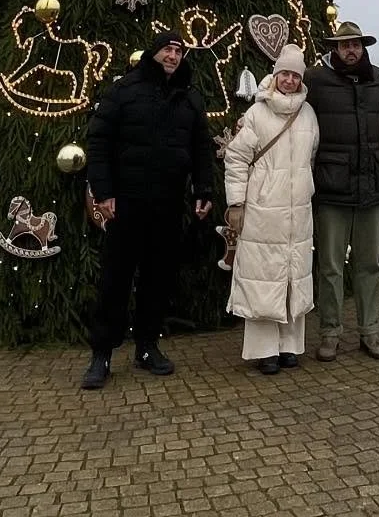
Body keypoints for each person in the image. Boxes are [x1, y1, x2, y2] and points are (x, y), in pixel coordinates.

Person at [81, 31, 216, 389]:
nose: (173, 56)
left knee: (158, 278)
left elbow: (202, 148)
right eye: (168, 50)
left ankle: (146, 346)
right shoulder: (124, 90)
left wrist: (204, 189)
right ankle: (102, 354)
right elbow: (99, 142)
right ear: (154, 54)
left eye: (178, 51)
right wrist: (104, 192)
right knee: (115, 279)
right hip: (126, 203)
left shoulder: (189, 99)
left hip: (168, 203)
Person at [222, 46, 319, 374]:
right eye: (285, 74)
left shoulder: (308, 114)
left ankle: (289, 346)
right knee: (264, 279)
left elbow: (311, 157)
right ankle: (265, 351)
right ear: (275, 75)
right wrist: (236, 202)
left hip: (298, 212)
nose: (290, 80)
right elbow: (236, 158)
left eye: (295, 75)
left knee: (293, 277)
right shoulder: (256, 113)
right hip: (264, 211)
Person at [304, 20, 379, 360]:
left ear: (363, 47)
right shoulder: (315, 79)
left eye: (356, 45)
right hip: (332, 188)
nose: (351, 50)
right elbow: (287, 98)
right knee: (330, 266)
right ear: (335, 48)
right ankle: (330, 332)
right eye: (345, 45)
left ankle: (370, 331)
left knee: (369, 265)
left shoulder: (378, 78)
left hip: (371, 187)